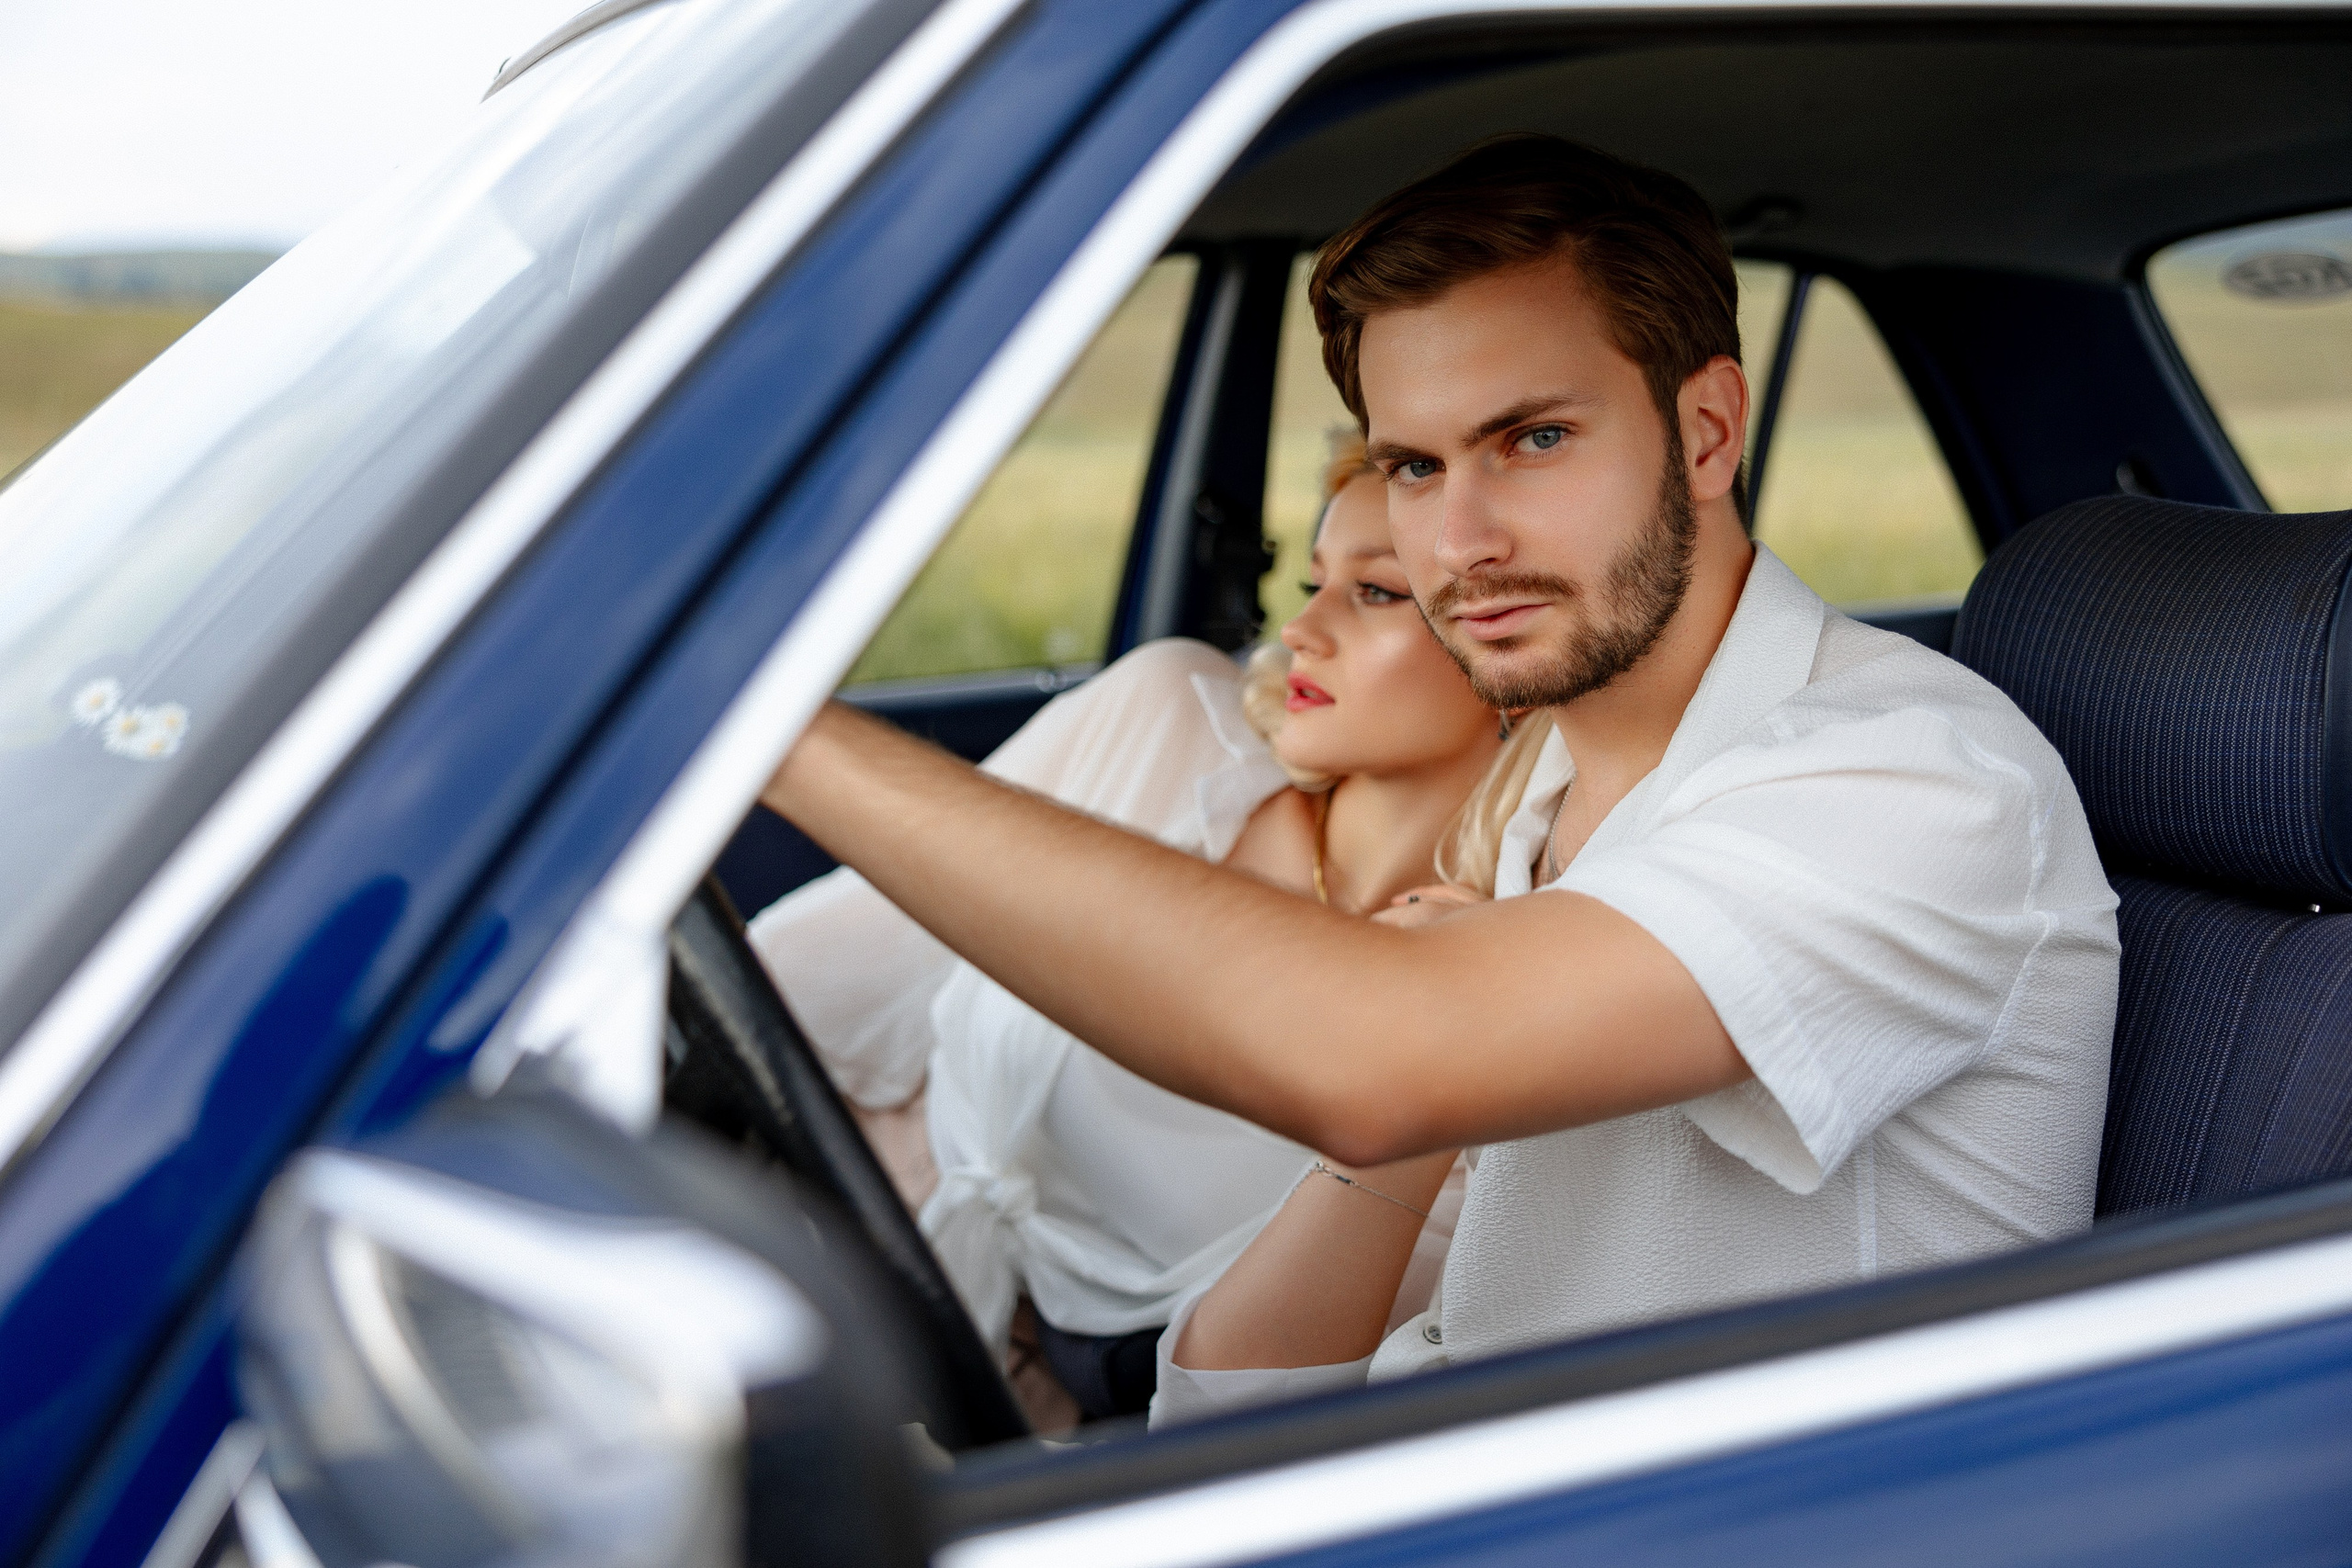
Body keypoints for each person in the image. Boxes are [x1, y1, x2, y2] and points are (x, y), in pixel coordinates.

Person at [761, 135, 2120, 1425]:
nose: (1456, 542)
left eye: (1533, 438)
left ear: (1707, 433)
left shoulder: (1913, 776)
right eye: (1415, 463)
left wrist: (765, 732)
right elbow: (1227, 1401)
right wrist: (1415, 1129)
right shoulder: (1536, 816)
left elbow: (1369, 1055)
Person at [748, 440, 1539, 1422]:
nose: (1300, 629)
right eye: (1310, 580)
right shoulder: (1165, 720)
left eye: (1374, 594)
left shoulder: (1510, 989)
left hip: (1049, 1437)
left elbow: (1257, 1398)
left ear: (1518, 648)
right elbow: (794, 989)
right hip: (829, 1253)